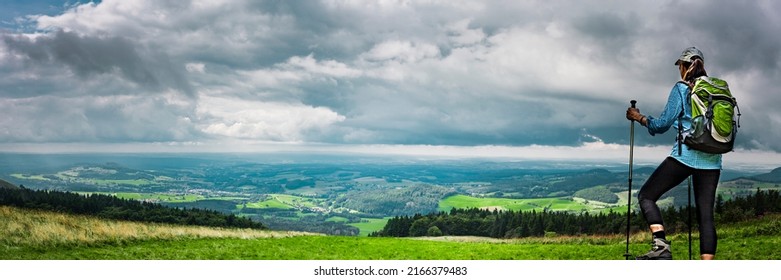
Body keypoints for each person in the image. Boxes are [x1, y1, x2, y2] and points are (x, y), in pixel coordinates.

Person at [625, 47, 721, 260]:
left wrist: (639, 118)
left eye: (680, 65)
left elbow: (662, 124)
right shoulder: (715, 90)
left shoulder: (682, 88)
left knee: (646, 196)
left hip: (685, 156)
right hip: (713, 160)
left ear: (685, 66)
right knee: (706, 216)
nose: (679, 69)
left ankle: (661, 247)